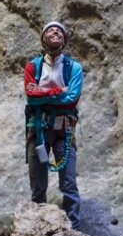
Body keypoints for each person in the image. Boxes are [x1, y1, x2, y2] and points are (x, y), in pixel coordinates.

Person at [24, 21, 84, 225]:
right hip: (38, 128)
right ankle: (35, 231)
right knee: (37, 184)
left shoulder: (74, 68)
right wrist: (58, 91)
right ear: (43, 39)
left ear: (65, 40)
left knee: (68, 183)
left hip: (63, 129)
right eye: (50, 29)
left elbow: (72, 99)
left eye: (59, 30)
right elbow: (31, 97)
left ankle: (73, 232)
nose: (55, 31)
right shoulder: (33, 66)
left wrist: (42, 94)